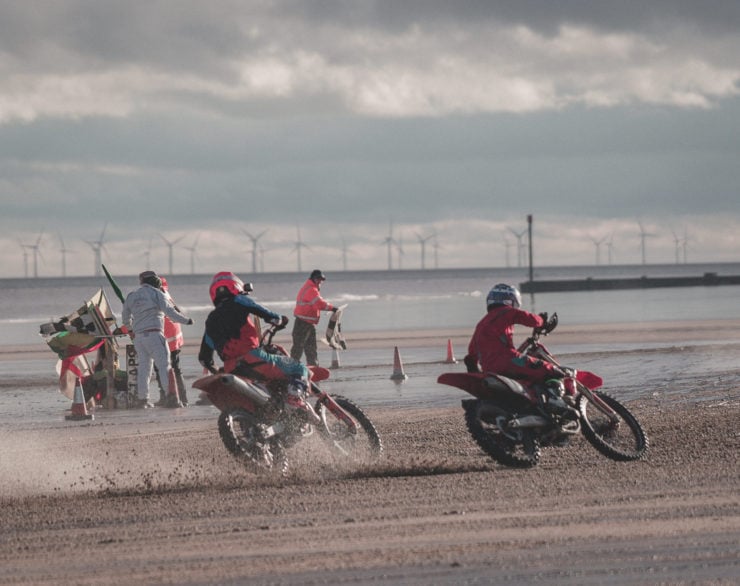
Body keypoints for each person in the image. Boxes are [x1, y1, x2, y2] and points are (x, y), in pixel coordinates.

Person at [197, 271, 318, 422]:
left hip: (232, 368)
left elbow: (204, 359)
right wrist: (279, 320)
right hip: (254, 358)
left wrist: (216, 370)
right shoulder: (239, 300)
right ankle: (294, 399)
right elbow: (268, 315)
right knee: (300, 368)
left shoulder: (210, 321)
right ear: (235, 286)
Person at [464, 283, 566, 412]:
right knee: (552, 370)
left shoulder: (481, 324)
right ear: (512, 300)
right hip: (508, 361)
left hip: (489, 369)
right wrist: (541, 320)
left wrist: (476, 374)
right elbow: (529, 319)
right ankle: (556, 403)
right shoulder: (506, 312)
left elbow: (470, 357)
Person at [121, 270, 193, 409]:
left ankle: (143, 399)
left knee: (144, 368)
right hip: (155, 334)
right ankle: (171, 396)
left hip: (139, 338)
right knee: (164, 367)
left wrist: (130, 330)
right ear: (155, 281)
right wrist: (187, 321)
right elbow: (170, 312)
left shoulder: (132, 296)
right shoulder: (157, 294)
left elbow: (125, 317)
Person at [290, 269, 337, 366]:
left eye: (322, 280)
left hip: (308, 324)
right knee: (298, 347)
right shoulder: (311, 289)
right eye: (318, 279)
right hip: (302, 323)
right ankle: (292, 367)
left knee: (311, 348)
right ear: (314, 279)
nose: (320, 282)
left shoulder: (311, 288)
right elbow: (319, 304)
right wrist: (332, 308)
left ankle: (313, 367)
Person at [153, 277, 188, 406]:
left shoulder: (157, 297)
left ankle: (168, 397)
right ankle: (181, 397)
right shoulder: (165, 294)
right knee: (175, 369)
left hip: (167, 338)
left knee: (162, 369)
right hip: (175, 337)